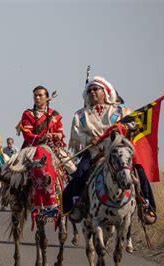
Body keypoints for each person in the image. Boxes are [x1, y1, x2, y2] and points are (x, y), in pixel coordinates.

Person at [63, 76, 156, 224]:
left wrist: (127, 127)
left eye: (96, 89)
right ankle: (77, 204)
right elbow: (76, 133)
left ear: (105, 91)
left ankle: (146, 204)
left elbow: (132, 126)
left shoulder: (121, 111)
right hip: (94, 152)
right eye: (89, 90)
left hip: (117, 151)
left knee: (140, 171)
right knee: (80, 172)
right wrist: (88, 140)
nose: (92, 92)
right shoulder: (80, 115)